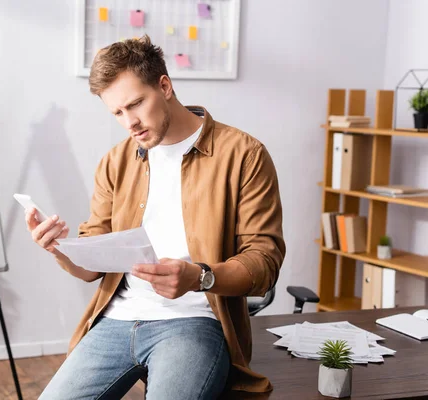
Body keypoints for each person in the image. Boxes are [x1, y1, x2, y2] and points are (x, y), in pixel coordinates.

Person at [26, 35, 286, 399]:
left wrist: (201, 277)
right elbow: (93, 268)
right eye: (117, 112)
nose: (129, 122)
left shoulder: (244, 154)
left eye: (135, 104)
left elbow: (264, 261)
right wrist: (58, 248)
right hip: (116, 319)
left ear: (164, 85)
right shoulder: (115, 162)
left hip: (194, 322)